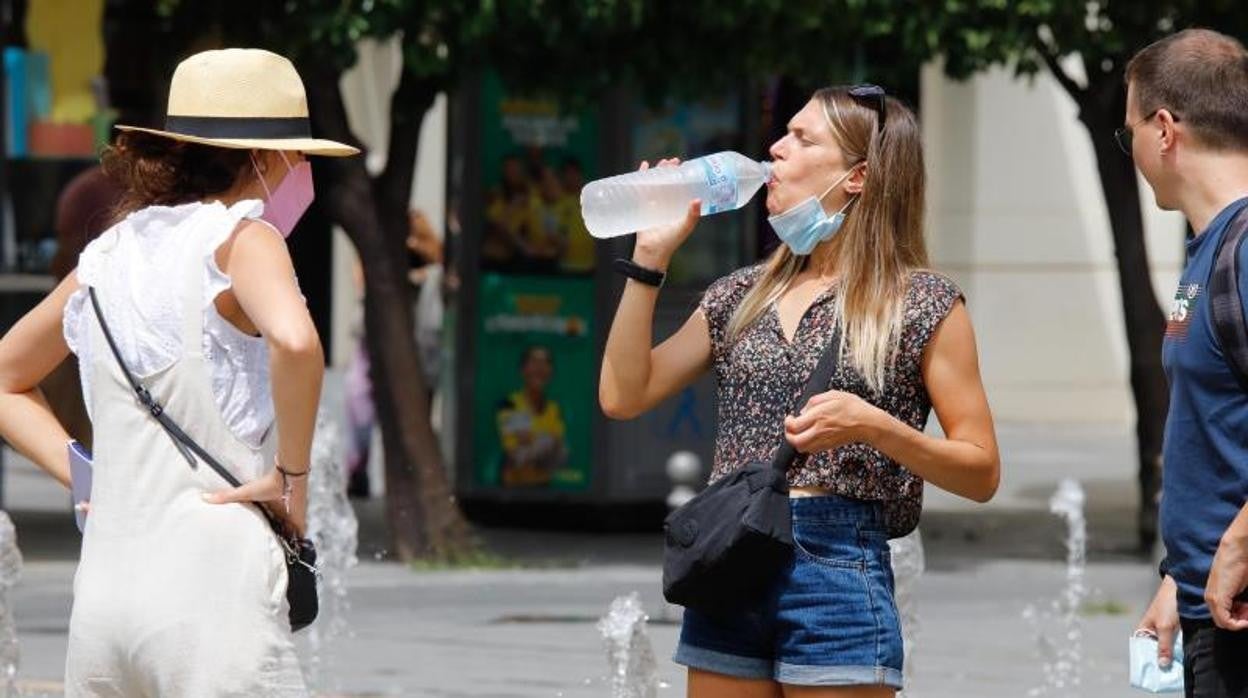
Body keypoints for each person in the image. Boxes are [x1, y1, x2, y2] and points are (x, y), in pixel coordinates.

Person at [600, 84, 1000, 697]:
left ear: (857, 177)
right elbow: (623, 396)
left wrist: (873, 426)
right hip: (732, 554)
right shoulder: (740, 294)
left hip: (836, 567)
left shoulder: (922, 304)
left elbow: (981, 471)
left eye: (802, 138)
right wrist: (649, 260)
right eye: (784, 134)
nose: (776, 150)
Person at [0, 48, 357, 694]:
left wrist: (86, 474)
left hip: (105, 594)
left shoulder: (108, 254)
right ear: (266, 159)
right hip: (211, 592)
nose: (304, 170)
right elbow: (297, 342)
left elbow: (5, 377)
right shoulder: (245, 239)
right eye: (300, 155)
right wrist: (291, 480)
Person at [1128, 29, 1248, 698]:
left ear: (1165, 130)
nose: (1134, 152)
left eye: (1130, 132)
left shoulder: (1244, 247)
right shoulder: (1211, 247)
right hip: (1212, 610)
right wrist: (1183, 575)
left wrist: (1237, 546)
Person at [497, 345, 568, 487]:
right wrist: (545, 443)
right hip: (512, 488)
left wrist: (534, 444)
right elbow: (515, 454)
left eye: (545, 363)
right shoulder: (510, 403)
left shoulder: (554, 409)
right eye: (534, 362)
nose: (539, 368)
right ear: (522, 369)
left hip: (544, 486)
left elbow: (560, 453)